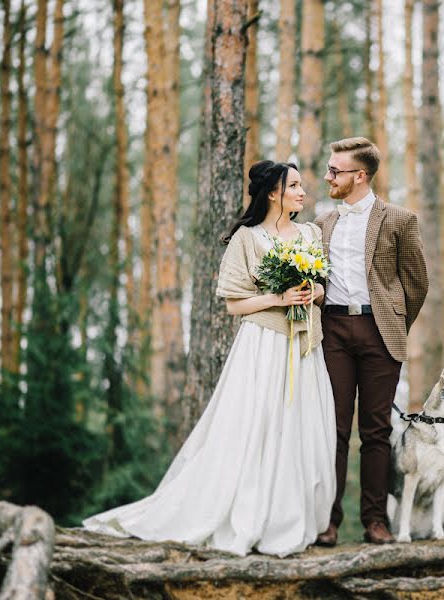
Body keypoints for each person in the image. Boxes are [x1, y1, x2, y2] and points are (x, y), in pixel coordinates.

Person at [83, 161, 336, 557]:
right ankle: (247, 515)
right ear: (273, 193)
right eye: (295, 186)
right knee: (257, 427)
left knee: (301, 427)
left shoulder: (310, 234)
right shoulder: (247, 239)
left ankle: (289, 519)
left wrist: (312, 293)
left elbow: (323, 287)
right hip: (263, 347)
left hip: (304, 346)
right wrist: (279, 298)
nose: (304, 193)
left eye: (303, 186)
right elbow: (235, 304)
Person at [313, 137, 428, 546]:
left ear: (359, 176)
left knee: (377, 430)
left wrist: (394, 321)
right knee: (334, 429)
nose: (328, 176)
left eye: (335, 171)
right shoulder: (322, 223)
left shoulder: (398, 219)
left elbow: (416, 283)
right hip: (333, 333)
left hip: (380, 333)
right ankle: (327, 521)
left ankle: (375, 521)